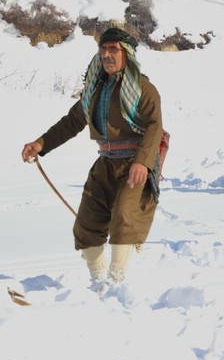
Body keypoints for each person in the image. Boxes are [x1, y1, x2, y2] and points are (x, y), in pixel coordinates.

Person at [21, 27, 163, 288]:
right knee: (86, 223)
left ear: (126, 54)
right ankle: (99, 283)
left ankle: (117, 281)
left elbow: (155, 125)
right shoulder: (94, 90)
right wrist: (41, 144)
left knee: (124, 215)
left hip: (135, 164)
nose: (107, 54)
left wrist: (143, 162)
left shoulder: (143, 88)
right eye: (104, 49)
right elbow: (72, 121)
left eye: (113, 49)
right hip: (105, 164)